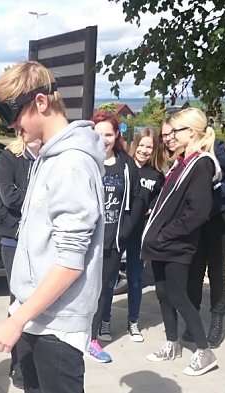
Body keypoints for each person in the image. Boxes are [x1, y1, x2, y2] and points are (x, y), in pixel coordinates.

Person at [0, 60, 105, 393]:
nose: (13, 126)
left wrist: (16, 319)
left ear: (41, 101)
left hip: (57, 319)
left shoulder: (71, 164)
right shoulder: (45, 158)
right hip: (35, 313)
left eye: (14, 116)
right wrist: (22, 313)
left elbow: (71, 262)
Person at [143, 108, 222, 377]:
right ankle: (171, 343)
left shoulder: (201, 164)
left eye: (175, 131)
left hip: (176, 244)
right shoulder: (180, 163)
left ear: (192, 132)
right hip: (161, 242)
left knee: (178, 295)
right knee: (163, 293)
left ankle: (204, 351)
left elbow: (198, 212)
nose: (169, 137)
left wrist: (165, 233)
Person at [87, 112, 145, 363]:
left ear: (116, 135)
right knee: (77, 289)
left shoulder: (126, 164)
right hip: (85, 240)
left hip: (112, 241)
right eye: (98, 134)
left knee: (101, 290)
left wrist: (124, 233)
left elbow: (137, 201)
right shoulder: (85, 161)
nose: (103, 139)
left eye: (108, 134)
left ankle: (92, 339)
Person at [182, 137, 225, 348]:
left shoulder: (214, 148)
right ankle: (192, 322)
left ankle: (217, 319)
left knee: (217, 269)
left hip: (220, 217)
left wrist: (218, 193)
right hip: (196, 218)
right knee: (194, 268)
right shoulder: (181, 153)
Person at [100, 127, 164, 346]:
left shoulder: (156, 175)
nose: (145, 151)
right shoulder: (123, 165)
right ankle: (104, 320)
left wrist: (150, 208)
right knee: (108, 281)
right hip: (117, 233)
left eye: (150, 147)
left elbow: (157, 202)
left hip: (138, 235)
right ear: (135, 145)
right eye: (142, 145)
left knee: (135, 280)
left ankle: (133, 321)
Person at [0, 136, 41, 389]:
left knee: (39, 301)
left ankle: (36, 359)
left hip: (43, 239)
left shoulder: (50, 156)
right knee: (19, 301)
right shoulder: (10, 156)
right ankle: (19, 363)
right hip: (14, 240)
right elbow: (10, 197)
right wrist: (44, 197)